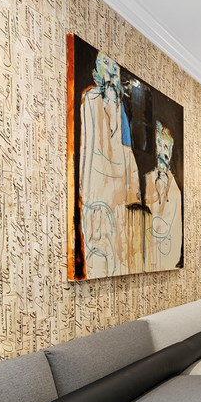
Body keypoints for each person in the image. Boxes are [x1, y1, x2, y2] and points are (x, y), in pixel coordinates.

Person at [78, 52, 140, 278]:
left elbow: (127, 150)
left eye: (114, 67)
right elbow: (87, 142)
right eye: (105, 64)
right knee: (97, 241)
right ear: (98, 70)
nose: (112, 70)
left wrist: (133, 194)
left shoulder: (123, 109)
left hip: (119, 189)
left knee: (118, 246)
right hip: (97, 185)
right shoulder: (91, 99)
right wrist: (85, 190)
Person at [143, 122, 183, 271]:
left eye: (166, 147)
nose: (162, 152)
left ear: (171, 153)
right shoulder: (143, 180)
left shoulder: (176, 192)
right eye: (159, 144)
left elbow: (176, 233)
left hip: (167, 256)